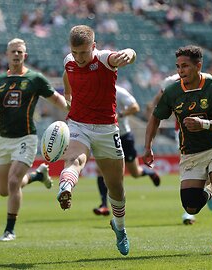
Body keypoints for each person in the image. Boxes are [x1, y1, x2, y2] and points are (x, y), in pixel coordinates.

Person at [142, 45, 212, 255]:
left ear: (198, 66)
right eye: (178, 66)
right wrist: (148, 147)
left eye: (185, 66)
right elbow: (155, 117)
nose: (181, 70)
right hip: (190, 154)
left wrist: (205, 124)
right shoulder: (173, 91)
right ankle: (211, 189)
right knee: (190, 208)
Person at [57, 25, 137, 256]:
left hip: (106, 129)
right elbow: (67, 72)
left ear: (93, 46)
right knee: (74, 160)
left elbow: (128, 56)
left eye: (83, 52)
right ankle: (66, 187)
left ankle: (119, 228)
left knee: (116, 188)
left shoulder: (104, 59)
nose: (79, 58)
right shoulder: (69, 60)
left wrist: (129, 52)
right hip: (78, 125)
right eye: (75, 52)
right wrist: (67, 93)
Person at [0, 38, 69, 241]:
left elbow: (57, 100)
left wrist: (74, 109)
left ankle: (9, 230)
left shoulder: (35, 79)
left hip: (26, 137)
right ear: (7, 55)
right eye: (13, 51)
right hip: (4, 140)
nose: (16, 55)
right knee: (3, 190)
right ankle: (37, 176)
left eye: (20, 52)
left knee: (13, 182)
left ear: (25, 55)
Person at [149, 72, 212, 225]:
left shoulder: (205, 79)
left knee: (207, 163)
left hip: (205, 131)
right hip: (182, 133)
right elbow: (156, 103)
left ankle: (210, 189)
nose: (183, 69)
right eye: (180, 66)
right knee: (189, 166)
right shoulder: (170, 81)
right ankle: (192, 209)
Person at [93, 85, 161, 216]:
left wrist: (121, 114)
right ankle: (103, 205)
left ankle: (149, 172)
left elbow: (135, 107)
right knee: (100, 170)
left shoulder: (119, 92)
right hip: (105, 136)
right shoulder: (95, 90)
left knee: (135, 172)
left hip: (124, 136)